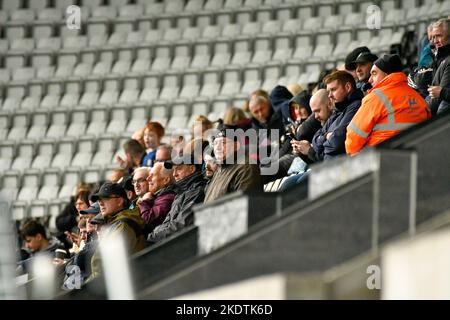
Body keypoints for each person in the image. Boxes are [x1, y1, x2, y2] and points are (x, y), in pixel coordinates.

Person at [346, 54, 432, 155]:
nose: (370, 80)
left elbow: (354, 136)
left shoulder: (376, 98)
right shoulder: (418, 98)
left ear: (387, 75)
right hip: (415, 157)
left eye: (374, 73)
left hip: (380, 158)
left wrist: (353, 156)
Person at [147, 140, 207, 244]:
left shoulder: (197, 190)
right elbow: (168, 222)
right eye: (173, 170)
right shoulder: (181, 191)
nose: (174, 174)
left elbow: (182, 224)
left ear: (192, 168)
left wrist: (153, 236)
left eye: (178, 169)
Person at [88, 182, 147, 279]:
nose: (100, 203)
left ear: (120, 201)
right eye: (99, 200)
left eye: (106, 198)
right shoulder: (116, 223)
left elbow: (107, 264)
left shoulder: (123, 225)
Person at [204, 125, 263, 204]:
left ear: (236, 146)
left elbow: (243, 206)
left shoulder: (246, 168)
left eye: (223, 143)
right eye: (215, 143)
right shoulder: (220, 169)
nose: (218, 147)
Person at [138, 162, 177, 236]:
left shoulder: (168, 198)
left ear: (165, 180)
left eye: (152, 175)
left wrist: (145, 202)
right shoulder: (160, 196)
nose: (148, 178)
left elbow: (147, 219)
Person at [427, 18, 450, 114]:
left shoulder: (447, 60)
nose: (435, 41)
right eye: (433, 37)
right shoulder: (439, 58)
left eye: (439, 36)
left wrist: (442, 93)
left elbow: (438, 94)